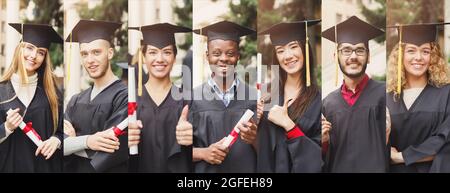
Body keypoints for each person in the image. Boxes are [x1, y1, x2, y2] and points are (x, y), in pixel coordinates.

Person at [321, 16, 388, 172]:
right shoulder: (327, 104)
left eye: (359, 50)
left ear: (369, 56)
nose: (353, 57)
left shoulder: (386, 95)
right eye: (346, 50)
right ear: (335, 57)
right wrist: (323, 143)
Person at [190, 21, 258, 173]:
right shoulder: (192, 99)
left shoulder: (254, 98)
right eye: (216, 53)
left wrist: (255, 139)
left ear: (238, 57)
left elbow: (271, 151)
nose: (223, 59)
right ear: (207, 56)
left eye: (230, 53)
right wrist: (203, 153)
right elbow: (177, 152)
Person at [256, 20, 322, 173]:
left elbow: (318, 157)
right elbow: (255, 150)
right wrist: (255, 125)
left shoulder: (319, 100)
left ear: (305, 49)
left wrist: (288, 124)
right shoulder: (264, 95)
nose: (287, 56)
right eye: (280, 50)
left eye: (293, 47)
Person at [63, 20, 128, 173]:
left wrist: (73, 143)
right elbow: (60, 143)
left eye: (96, 52)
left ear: (110, 53)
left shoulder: (124, 97)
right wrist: (89, 141)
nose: (90, 60)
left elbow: (110, 151)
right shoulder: (75, 101)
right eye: (84, 54)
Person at [127, 23, 192, 172]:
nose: (160, 59)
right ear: (143, 57)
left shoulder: (187, 100)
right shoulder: (130, 102)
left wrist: (191, 141)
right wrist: (126, 141)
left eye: (167, 52)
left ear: (175, 57)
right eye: (153, 52)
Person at [386, 23, 450, 173]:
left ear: (433, 56)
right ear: (401, 55)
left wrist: (400, 156)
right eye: (411, 51)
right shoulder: (388, 97)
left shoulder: (446, 94)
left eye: (425, 51)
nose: (418, 57)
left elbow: (446, 141)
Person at [0, 23, 63, 172]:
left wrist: (57, 140)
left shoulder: (53, 94)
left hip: (44, 167)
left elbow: (63, 130)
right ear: (19, 49)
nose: (34, 56)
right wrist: (7, 127)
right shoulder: (1, 91)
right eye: (29, 48)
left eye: (41, 52)